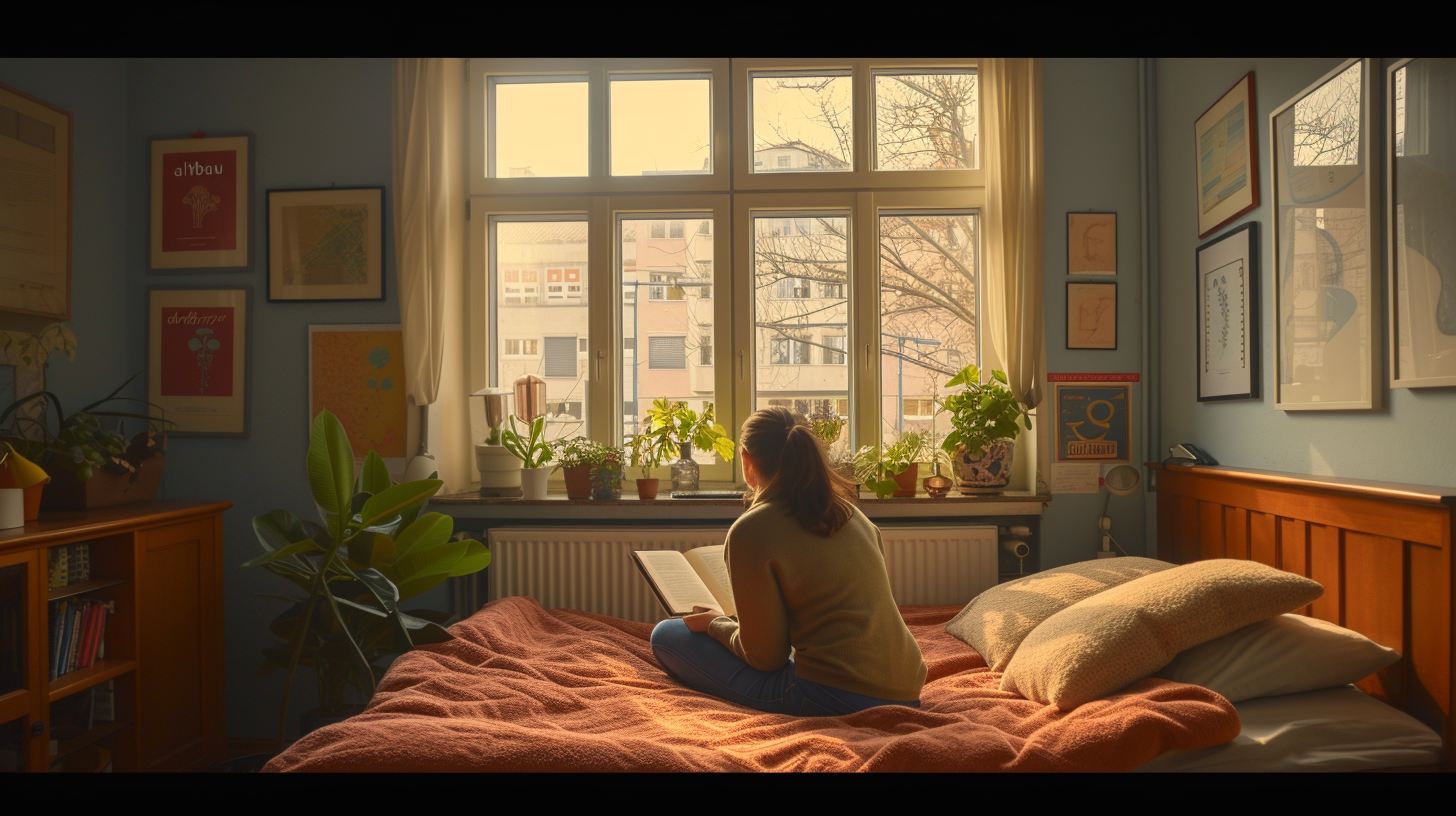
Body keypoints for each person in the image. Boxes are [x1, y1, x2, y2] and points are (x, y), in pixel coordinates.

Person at [650, 407, 926, 716]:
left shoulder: (752, 529)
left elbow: (767, 659)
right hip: (907, 688)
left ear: (746, 459)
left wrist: (716, 624)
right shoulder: (852, 515)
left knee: (666, 636)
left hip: (835, 694)